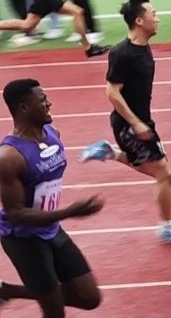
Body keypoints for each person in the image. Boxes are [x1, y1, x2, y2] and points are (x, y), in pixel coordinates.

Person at [79, 0, 171, 244]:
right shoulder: (122, 53)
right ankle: (168, 226)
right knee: (164, 173)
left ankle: (109, 152)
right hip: (129, 124)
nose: (158, 18)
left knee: (153, 167)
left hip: (141, 121)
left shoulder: (143, 47)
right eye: (153, 14)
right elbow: (112, 92)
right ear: (139, 21)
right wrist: (135, 123)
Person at [0, 79, 105, 316]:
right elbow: (15, 213)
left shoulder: (52, 134)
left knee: (89, 297)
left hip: (51, 228)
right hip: (23, 239)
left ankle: (6, 290)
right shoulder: (9, 157)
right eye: (42, 100)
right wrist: (69, 212)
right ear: (24, 107)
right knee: (54, 311)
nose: (49, 104)